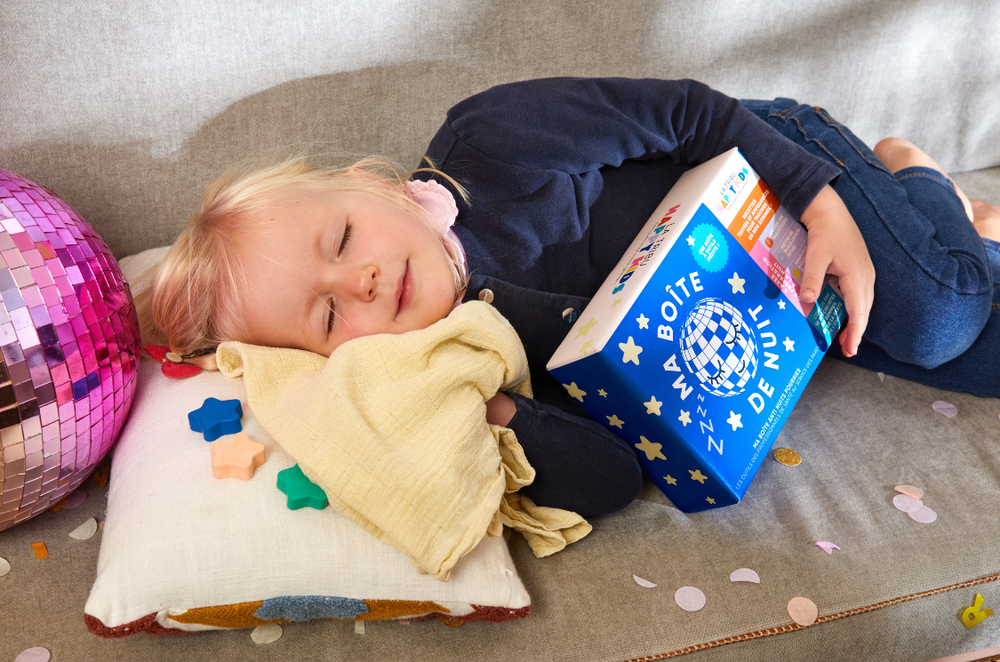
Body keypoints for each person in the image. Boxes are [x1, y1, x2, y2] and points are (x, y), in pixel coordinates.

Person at [144, 77, 999, 520]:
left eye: (342, 241)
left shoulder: (487, 145)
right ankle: (955, 225)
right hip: (767, 302)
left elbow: (691, 114)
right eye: (329, 316)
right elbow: (616, 477)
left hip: (773, 173)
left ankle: (913, 177)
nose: (360, 280)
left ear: (373, 187)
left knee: (935, 318)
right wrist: (485, 407)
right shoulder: (476, 349)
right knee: (983, 354)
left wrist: (816, 195)